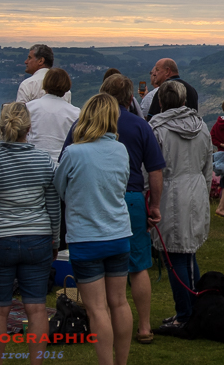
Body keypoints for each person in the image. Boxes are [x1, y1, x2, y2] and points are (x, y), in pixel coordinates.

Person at [62, 74, 165, 345]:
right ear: (130, 97)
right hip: (131, 198)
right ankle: (143, 327)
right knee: (139, 265)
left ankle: (102, 323)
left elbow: (65, 166)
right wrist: (154, 204)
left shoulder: (81, 125)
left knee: (97, 272)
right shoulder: (141, 126)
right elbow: (155, 169)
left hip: (93, 200)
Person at [0, 103, 60, 365]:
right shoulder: (44, 160)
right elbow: (53, 206)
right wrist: (55, 239)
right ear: (29, 128)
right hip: (38, 239)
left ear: (2, 127)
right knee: (36, 308)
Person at [54, 93, 132, 365]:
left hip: (86, 238)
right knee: (119, 303)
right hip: (119, 234)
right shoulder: (121, 150)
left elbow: (60, 189)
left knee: (97, 309)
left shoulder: (74, 153)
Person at [148, 80, 213, 333]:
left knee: (176, 255)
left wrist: (150, 199)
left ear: (161, 103)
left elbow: (151, 169)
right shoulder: (202, 127)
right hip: (196, 188)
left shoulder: (157, 130)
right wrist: (204, 192)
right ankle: (191, 310)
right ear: (185, 101)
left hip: (169, 190)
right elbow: (208, 166)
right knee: (187, 253)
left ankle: (185, 315)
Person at [25, 67, 80, 163]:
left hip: (33, 162)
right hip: (62, 163)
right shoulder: (75, 113)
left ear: (45, 83)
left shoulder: (29, 108)